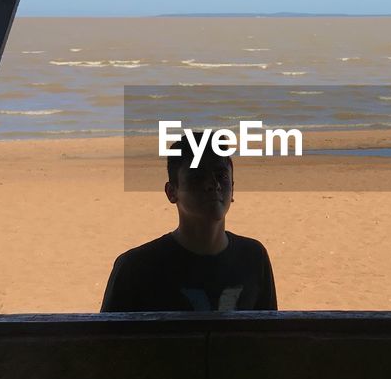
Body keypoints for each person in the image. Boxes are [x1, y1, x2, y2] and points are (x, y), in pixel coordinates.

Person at [100, 131, 278, 312]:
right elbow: (107, 339)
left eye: (221, 175)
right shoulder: (135, 269)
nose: (213, 184)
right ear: (171, 192)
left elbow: (271, 336)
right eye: (197, 176)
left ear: (232, 189)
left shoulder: (254, 258)